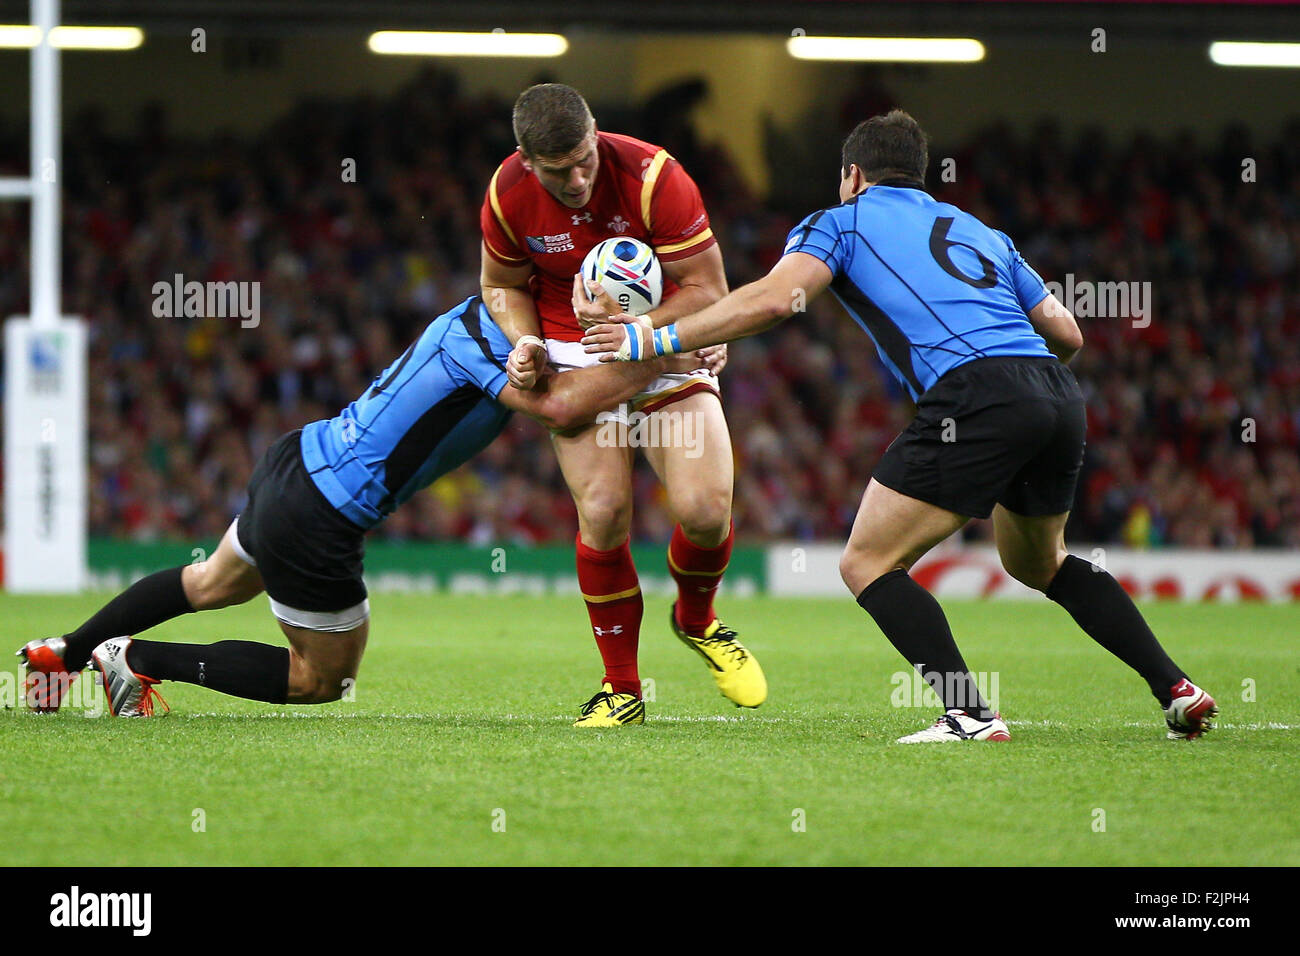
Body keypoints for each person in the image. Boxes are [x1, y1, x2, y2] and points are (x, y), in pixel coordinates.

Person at [583, 110, 1217, 743]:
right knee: (1042, 564)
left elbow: (776, 299)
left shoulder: (840, 223)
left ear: (852, 175)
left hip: (977, 396)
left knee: (867, 563)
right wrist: (1025, 391)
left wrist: (653, 336)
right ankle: (1177, 689)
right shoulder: (981, 232)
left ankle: (969, 713)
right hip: (1055, 393)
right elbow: (1067, 333)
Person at [18, 296, 697, 718]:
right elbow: (564, 404)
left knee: (208, 582)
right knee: (321, 680)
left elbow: (568, 377)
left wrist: (652, 345)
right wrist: (673, 351)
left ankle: (65, 654)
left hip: (297, 460)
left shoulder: (480, 323)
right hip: (322, 510)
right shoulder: (488, 341)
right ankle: (135, 660)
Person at [480, 83, 765, 726]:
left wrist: (642, 337)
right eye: (559, 171)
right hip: (574, 354)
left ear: (596, 133)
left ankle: (697, 619)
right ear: (528, 161)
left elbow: (708, 289)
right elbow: (498, 285)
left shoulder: (654, 177)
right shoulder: (507, 194)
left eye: (584, 158)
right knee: (604, 512)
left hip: (664, 344)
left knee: (704, 510)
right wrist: (523, 341)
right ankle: (623, 691)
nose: (578, 178)